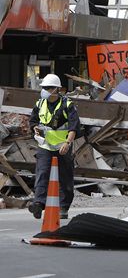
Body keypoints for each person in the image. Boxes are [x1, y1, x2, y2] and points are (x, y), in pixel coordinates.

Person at [28, 74, 81, 220]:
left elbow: (74, 127)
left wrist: (67, 143)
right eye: (44, 88)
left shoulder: (67, 105)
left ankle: (63, 207)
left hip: (63, 146)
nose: (44, 90)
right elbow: (33, 121)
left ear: (56, 90)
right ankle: (38, 204)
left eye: (47, 88)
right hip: (45, 146)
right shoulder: (40, 104)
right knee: (42, 173)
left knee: (65, 177)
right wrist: (35, 129)